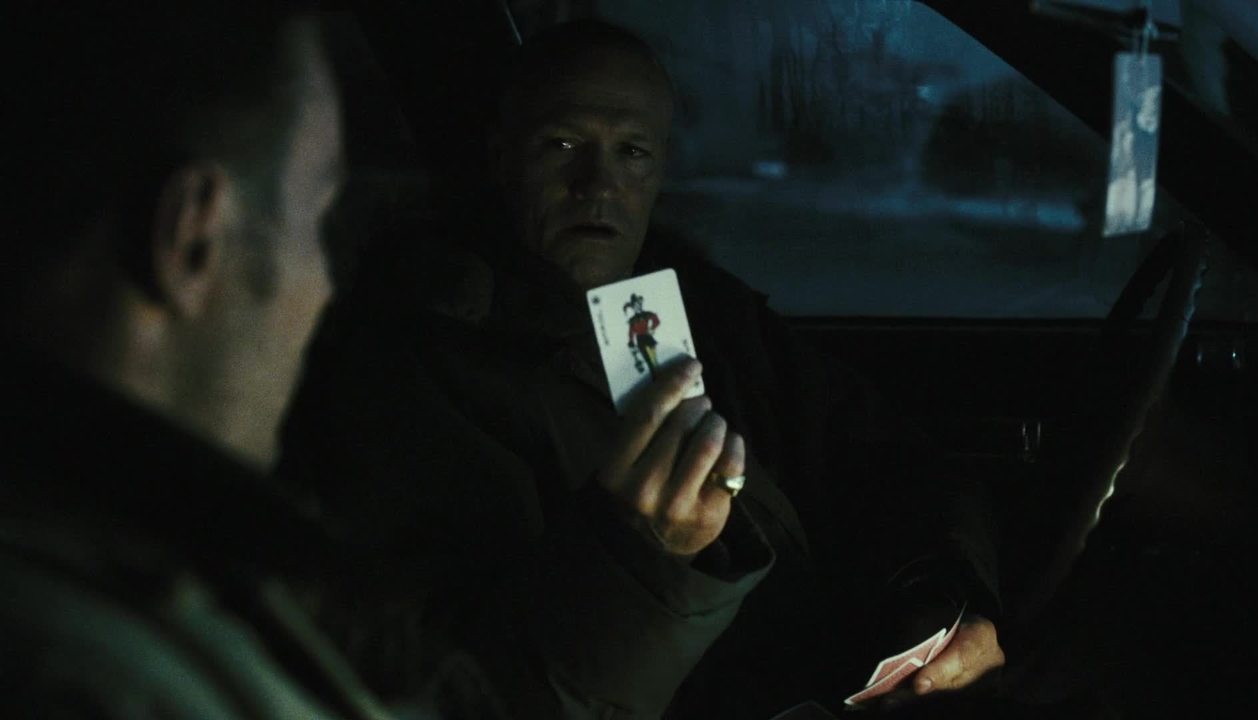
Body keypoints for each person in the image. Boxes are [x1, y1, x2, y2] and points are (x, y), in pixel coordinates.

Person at [2, 8, 764, 719]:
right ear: (192, 236)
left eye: (634, 151)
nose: (325, 289)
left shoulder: (160, 573)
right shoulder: (109, 659)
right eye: (316, 224)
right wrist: (642, 558)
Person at [283, 19, 1002, 719]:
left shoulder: (707, 309)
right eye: (564, 144)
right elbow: (457, 682)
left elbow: (876, 452)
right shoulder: (417, 370)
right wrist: (646, 558)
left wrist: (946, 594)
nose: (597, 183)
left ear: (660, 170)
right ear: (502, 157)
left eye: (631, 152)